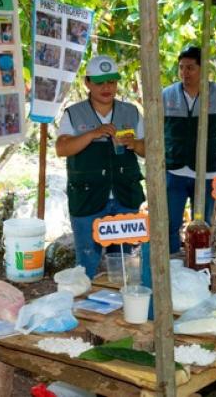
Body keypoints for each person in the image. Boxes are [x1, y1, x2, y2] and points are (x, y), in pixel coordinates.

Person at [56, 55, 146, 278]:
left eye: (111, 82)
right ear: (87, 83)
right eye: (100, 82)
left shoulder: (131, 112)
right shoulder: (73, 113)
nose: (107, 87)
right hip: (88, 199)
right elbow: (62, 148)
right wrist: (93, 134)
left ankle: (123, 308)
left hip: (126, 197)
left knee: (125, 264)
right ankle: (84, 307)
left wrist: (134, 144)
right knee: (86, 264)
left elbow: (149, 149)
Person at [162, 46, 216, 254]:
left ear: (203, 69)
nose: (184, 73)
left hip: (208, 171)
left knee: (203, 226)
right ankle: (171, 264)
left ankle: (200, 266)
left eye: (190, 68)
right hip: (175, 171)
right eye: (181, 68)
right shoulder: (167, 94)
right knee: (170, 223)